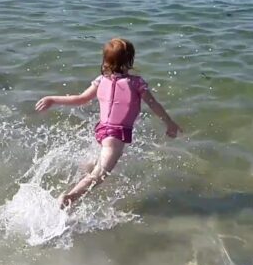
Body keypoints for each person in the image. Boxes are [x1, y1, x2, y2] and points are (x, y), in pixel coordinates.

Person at [35, 38, 182, 209]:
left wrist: (52, 99)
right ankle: (69, 197)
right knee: (100, 175)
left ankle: (84, 173)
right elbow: (153, 104)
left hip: (102, 130)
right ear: (130, 61)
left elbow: (80, 99)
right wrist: (170, 123)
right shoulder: (137, 83)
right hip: (116, 135)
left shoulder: (100, 80)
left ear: (106, 61)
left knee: (97, 164)